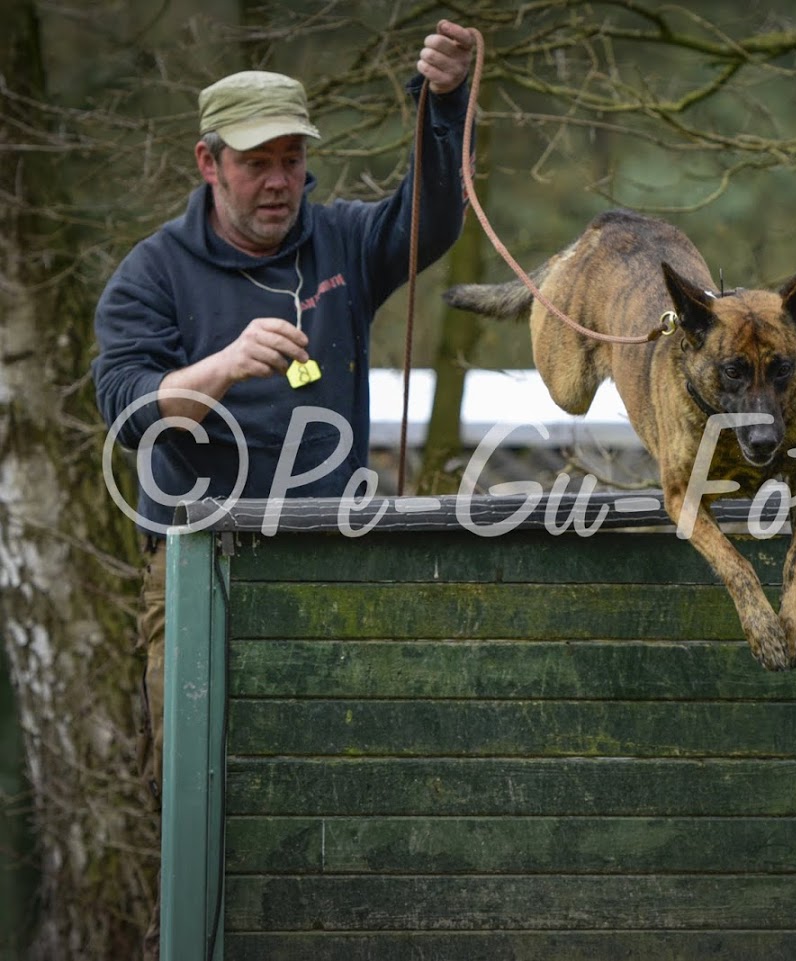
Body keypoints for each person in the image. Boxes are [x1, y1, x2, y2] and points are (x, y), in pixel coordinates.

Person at [90, 20, 477, 957]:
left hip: (332, 563)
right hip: (194, 568)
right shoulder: (150, 276)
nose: (278, 183)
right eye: (258, 162)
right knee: (198, 792)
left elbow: (433, 215)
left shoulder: (340, 239)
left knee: (338, 778)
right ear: (208, 162)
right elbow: (131, 413)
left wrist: (448, 105)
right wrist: (220, 366)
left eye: (293, 161)